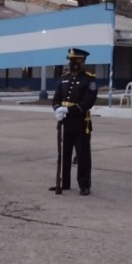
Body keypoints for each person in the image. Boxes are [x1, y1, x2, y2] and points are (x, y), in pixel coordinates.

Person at [51, 48, 97, 195]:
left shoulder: (89, 79)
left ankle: (84, 185)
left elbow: (88, 102)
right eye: (71, 60)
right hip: (64, 122)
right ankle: (64, 183)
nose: (73, 63)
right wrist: (57, 109)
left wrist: (68, 110)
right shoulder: (64, 78)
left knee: (82, 156)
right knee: (64, 154)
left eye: (76, 60)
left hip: (80, 123)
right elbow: (56, 98)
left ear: (82, 61)